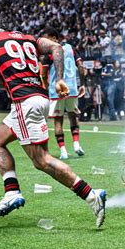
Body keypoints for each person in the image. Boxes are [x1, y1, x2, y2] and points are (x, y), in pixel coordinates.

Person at [0, 14, 106, 228]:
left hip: (23, 101)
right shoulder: (28, 37)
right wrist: (61, 78)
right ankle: (11, 191)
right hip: (39, 97)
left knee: (41, 160)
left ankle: (92, 195)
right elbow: (57, 47)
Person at [40, 28, 86, 160]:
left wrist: (47, 86)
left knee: (58, 120)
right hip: (71, 87)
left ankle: (63, 151)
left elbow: (43, 73)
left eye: (47, 39)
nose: (45, 42)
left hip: (57, 90)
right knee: (73, 116)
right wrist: (82, 84)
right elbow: (81, 68)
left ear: (54, 38)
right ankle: (77, 145)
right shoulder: (71, 48)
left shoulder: (50, 52)